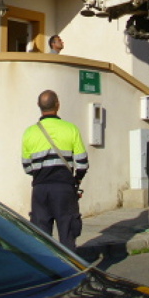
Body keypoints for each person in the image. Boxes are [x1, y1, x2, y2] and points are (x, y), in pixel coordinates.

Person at [21, 90, 88, 250]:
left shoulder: (29, 133)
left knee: (42, 239)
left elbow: (27, 166)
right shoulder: (71, 129)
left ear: (38, 106)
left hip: (40, 190)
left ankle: (50, 271)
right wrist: (77, 180)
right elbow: (82, 163)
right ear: (58, 104)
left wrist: (41, 173)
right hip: (64, 189)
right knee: (67, 234)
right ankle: (72, 269)